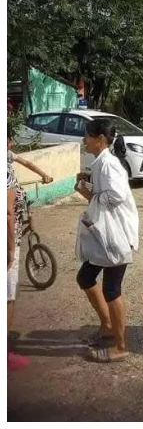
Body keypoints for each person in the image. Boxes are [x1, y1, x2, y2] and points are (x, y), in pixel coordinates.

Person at [73, 119, 139, 363]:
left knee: (112, 290)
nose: (84, 140)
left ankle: (120, 346)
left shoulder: (109, 164)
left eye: (88, 136)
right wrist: (87, 191)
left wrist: (91, 194)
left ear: (100, 139)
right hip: (105, 234)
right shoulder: (100, 162)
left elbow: (116, 196)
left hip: (115, 236)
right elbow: (103, 197)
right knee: (85, 277)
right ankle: (107, 325)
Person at [8, 125, 52, 371]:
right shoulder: (4, 163)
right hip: (8, 230)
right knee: (8, 295)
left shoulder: (8, 157)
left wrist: (44, 173)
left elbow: (27, 163)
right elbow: (6, 213)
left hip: (17, 210)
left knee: (27, 211)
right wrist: (10, 249)